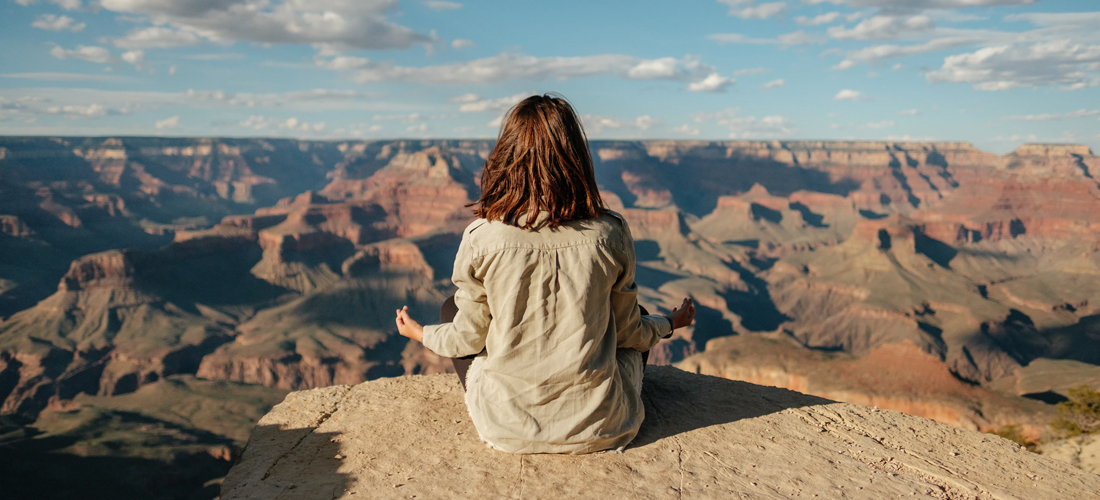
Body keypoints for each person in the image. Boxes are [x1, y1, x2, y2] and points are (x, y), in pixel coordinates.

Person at [395, 93, 695, 454]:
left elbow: (468, 340)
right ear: (577, 158)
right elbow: (630, 333)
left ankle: (513, 410)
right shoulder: (609, 232)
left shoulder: (482, 236)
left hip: (505, 430)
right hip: (603, 427)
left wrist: (420, 333)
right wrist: (668, 323)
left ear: (505, 158)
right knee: (640, 315)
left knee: (451, 311)